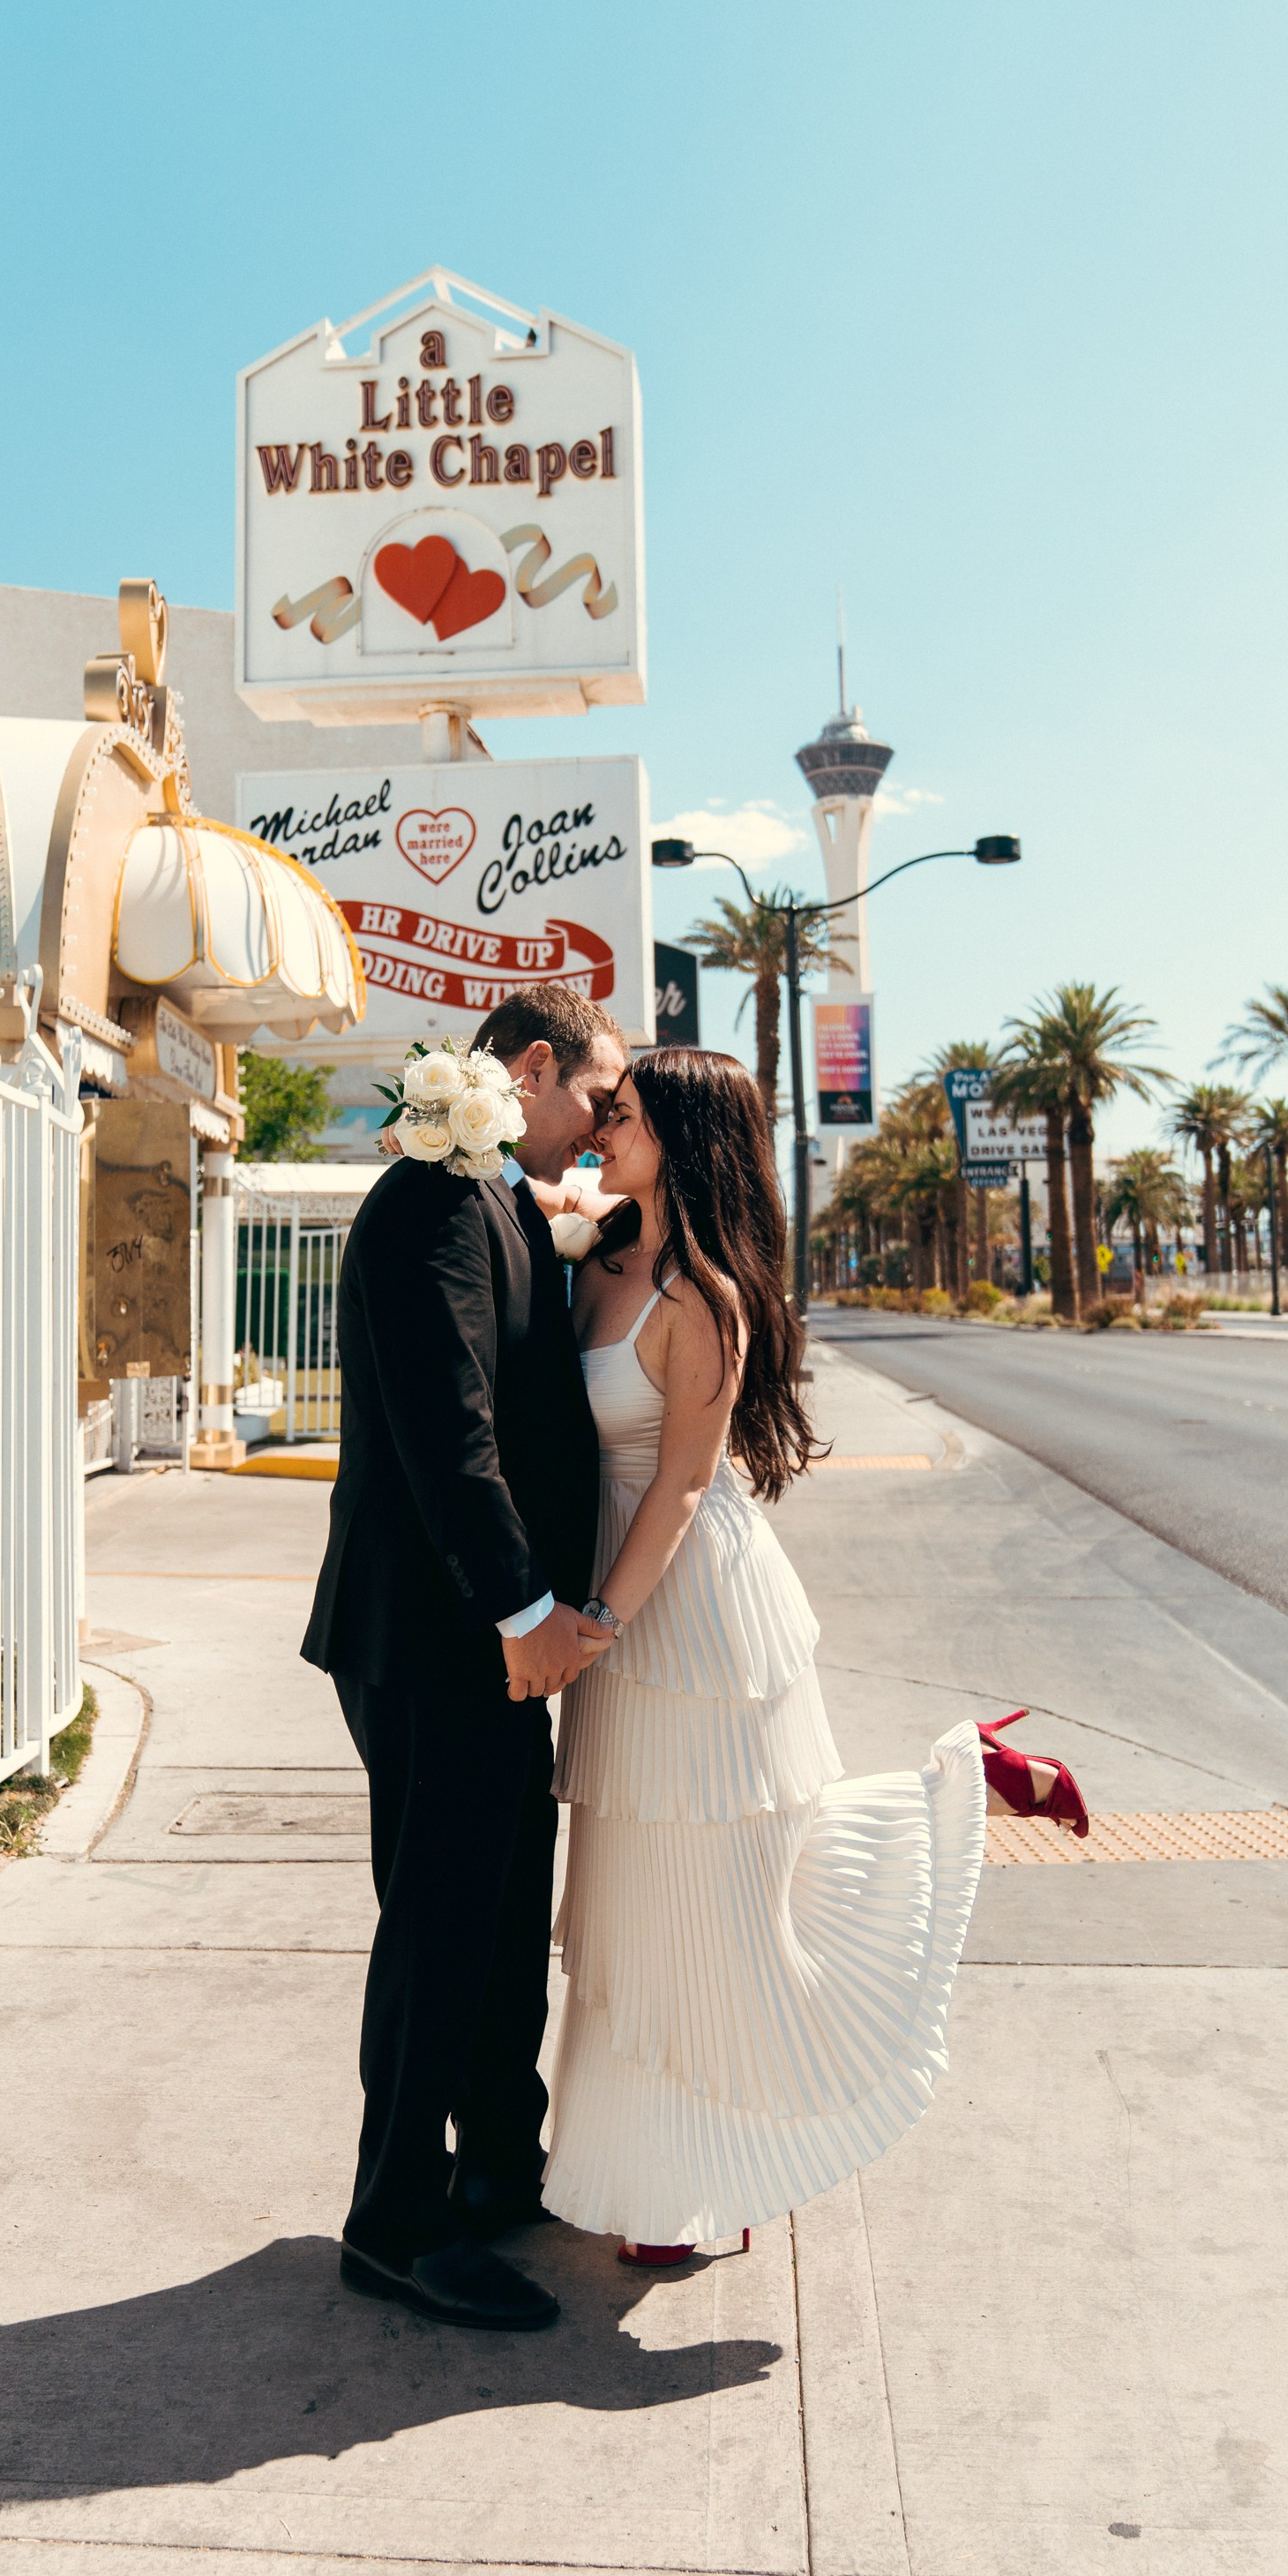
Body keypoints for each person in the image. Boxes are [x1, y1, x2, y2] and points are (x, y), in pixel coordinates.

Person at [539, 1048, 1086, 2263]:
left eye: (621, 1117)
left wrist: (598, 1624)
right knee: (631, 1894)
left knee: (729, 1899)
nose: (601, 1131)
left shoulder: (707, 1299)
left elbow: (681, 1489)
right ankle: (670, 2163)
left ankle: (961, 1783)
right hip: (616, 1600)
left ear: (680, 1136)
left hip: (691, 1613)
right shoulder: (598, 1260)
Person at [303, 985, 628, 2332]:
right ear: (534, 1069)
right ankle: (394, 2223)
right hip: (439, 1639)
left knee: (500, 1917)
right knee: (441, 1928)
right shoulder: (431, 1201)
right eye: (596, 1104)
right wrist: (523, 1613)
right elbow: (451, 1431)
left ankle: (495, 2163)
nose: (601, 1134)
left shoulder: (487, 1193)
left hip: (485, 1644)